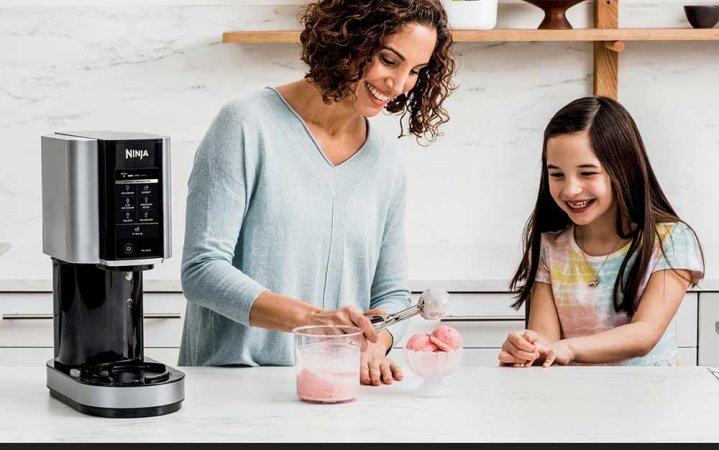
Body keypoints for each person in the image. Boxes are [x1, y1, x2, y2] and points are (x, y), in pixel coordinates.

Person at [178, 0, 456, 387]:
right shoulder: (246, 124)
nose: (398, 85)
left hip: (336, 386)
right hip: (233, 384)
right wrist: (314, 321)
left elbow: (391, 293)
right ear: (348, 39)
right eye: (389, 60)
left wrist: (378, 342)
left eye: (415, 71)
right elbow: (202, 272)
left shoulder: (385, 159)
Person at [500, 96, 704, 367]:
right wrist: (529, 349)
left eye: (587, 173)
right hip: (577, 402)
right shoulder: (550, 246)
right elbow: (546, 343)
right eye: (557, 175)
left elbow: (645, 334)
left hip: (651, 400)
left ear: (623, 170)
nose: (570, 190)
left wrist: (568, 348)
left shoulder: (670, 240)